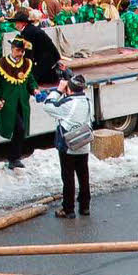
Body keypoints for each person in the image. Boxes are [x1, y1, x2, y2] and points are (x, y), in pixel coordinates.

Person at [38, 73, 92, 219]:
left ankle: (68, 209)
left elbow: (48, 106)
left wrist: (58, 90)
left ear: (69, 89)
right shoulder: (87, 101)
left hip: (68, 146)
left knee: (68, 178)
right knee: (83, 176)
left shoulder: (68, 103)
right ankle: (85, 206)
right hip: (83, 144)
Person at [0, 35, 38, 169]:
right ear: (12, 49)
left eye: (22, 51)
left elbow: (30, 81)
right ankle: (14, 158)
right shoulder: (1, 64)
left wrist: (35, 89)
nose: (20, 54)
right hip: (8, 105)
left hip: (22, 104)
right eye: (17, 51)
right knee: (19, 128)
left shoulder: (26, 63)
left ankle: (15, 157)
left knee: (21, 130)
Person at [12, 9, 62, 84]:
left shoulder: (28, 32)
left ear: (23, 23)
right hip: (49, 57)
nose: (16, 25)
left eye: (17, 23)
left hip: (45, 60)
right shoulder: (30, 29)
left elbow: (29, 51)